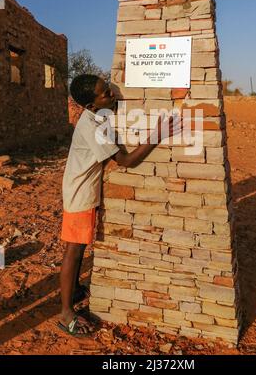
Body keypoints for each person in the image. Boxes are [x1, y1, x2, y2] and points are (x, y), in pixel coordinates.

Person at [58, 74, 180, 336]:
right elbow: (125, 161)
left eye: (109, 89)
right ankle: (66, 313)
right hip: (79, 195)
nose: (112, 95)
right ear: (91, 105)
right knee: (74, 251)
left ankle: (76, 289)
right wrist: (157, 134)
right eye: (105, 94)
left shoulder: (96, 117)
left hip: (82, 191)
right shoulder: (92, 128)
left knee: (79, 248)